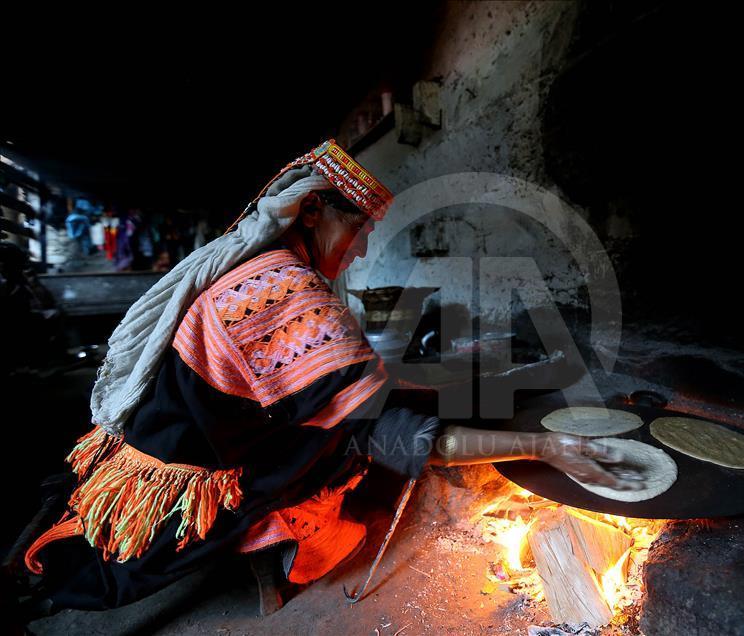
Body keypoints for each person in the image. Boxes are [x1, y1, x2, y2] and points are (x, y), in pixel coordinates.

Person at [20, 140, 642, 614]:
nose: (365, 249)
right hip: (189, 483)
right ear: (313, 209)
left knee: (362, 400)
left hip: (164, 444)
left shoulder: (255, 267)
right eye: (360, 229)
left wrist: (410, 377)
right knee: (342, 442)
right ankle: (281, 536)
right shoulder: (290, 292)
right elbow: (393, 435)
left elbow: (314, 372)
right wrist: (548, 445)